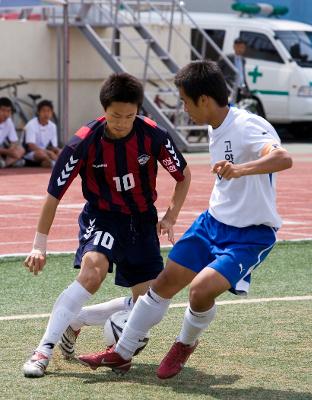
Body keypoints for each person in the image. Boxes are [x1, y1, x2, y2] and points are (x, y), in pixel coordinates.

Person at [77, 60, 293, 379]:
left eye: (184, 100)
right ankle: (121, 354)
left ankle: (184, 343)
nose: (183, 107)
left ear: (203, 99)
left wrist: (240, 169)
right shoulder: (214, 125)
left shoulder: (246, 125)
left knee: (200, 291)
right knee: (163, 283)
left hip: (250, 234)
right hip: (212, 223)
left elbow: (282, 158)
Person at [22, 72, 191, 378]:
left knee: (150, 303)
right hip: (103, 217)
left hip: (141, 221)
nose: (123, 122)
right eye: (116, 115)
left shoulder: (152, 135)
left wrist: (171, 216)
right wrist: (39, 245)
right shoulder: (83, 142)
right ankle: (42, 350)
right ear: (104, 110)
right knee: (93, 272)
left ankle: (78, 320)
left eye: (130, 115)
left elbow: (183, 176)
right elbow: (53, 196)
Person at [23, 100, 61, 168]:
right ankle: (54, 163)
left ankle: (48, 163)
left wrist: (57, 151)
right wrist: (49, 152)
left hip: (46, 152)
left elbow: (53, 146)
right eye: (43, 111)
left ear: (52, 113)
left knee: (62, 151)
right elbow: (31, 146)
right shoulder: (31, 124)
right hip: (31, 153)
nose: (46, 113)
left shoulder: (53, 126)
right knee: (41, 154)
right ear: (38, 112)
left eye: (48, 111)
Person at [218, 37, 250, 103]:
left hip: (240, 89)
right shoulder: (227, 58)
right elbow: (217, 69)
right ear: (234, 47)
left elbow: (242, 75)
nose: (240, 49)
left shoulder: (243, 60)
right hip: (230, 88)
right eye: (238, 47)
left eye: (242, 47)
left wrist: (246, 88)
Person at [0, 97, 25, 168]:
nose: (6, 114)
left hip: (3, 150)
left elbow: (14, 141)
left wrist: (12, 149)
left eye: (8, 111)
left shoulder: (9, 122)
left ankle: (4, 164)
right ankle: (13, 162)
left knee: (21, 149)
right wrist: (9, 152)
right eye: (3, 110)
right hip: (3, 150)